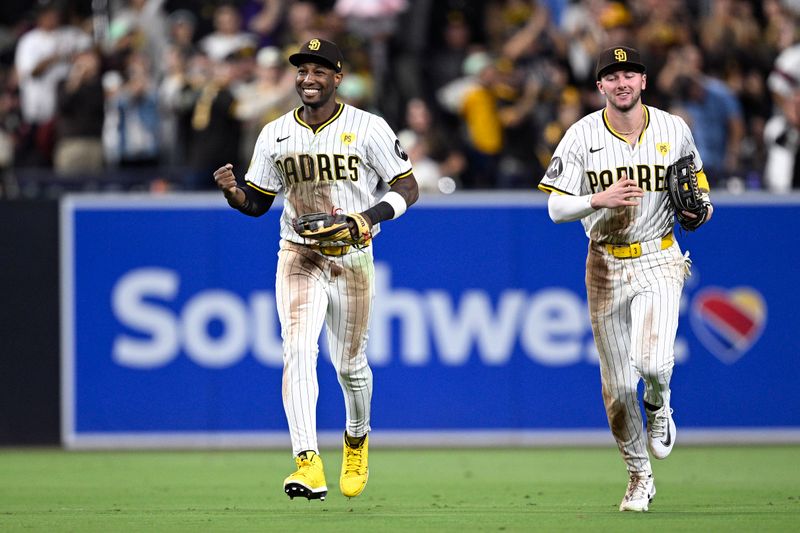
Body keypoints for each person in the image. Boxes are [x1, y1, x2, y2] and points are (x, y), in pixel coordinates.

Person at [213, 38, 419, 501]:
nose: (308, 78)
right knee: (298, 350)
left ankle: (356, 438)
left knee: (350, 367)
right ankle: (307, 461)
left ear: (337, 77)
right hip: (299, 252)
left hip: (351, 254)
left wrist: (367, 217)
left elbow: (408, 188)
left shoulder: (367, 127)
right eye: (302, 70)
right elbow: (258, 202)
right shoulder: (275, 133)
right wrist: (233, 195)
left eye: (319, 70)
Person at [538, 46, 713, 513]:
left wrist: (702, 211)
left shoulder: (674, 128)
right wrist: (599, 199)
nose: (621, 83)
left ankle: (660, 404)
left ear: (643, 81)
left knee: (652, 364)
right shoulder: (581, 135)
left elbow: (699, 188)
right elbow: (555, 208)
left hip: (659, 254)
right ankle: (639, 478)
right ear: (600, 86)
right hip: (605, 262)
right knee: (616, 389)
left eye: (629, 74)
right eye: (611, 76)